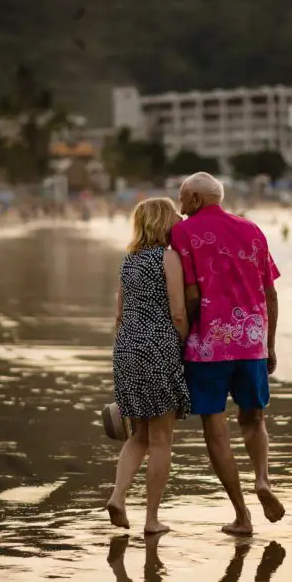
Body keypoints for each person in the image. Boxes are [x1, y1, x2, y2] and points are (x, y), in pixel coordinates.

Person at [170, 172, 284, 536]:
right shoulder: (252, 229)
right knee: (254, 419)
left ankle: (241, 515)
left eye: (183, 197)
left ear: (197, 198)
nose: (180, 205)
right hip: (251, 342)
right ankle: (263, 479)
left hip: (208, 346)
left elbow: (189, 294)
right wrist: (270, 343)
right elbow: (270, 293)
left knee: (214, 427)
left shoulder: (183, 233)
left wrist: (181, 338)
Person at [106, 197, 192, 534]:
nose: (177, 220)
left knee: (138, 434)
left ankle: (117, 495)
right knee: (161, 439)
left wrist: (129, 345)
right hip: (159, 349)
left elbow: (118, 314)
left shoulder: (129, 261)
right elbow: (179, 311)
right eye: (172, 215)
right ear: (161, 221)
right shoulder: (167, 258)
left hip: (126, 349)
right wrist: (184, 343)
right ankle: (151, 519)